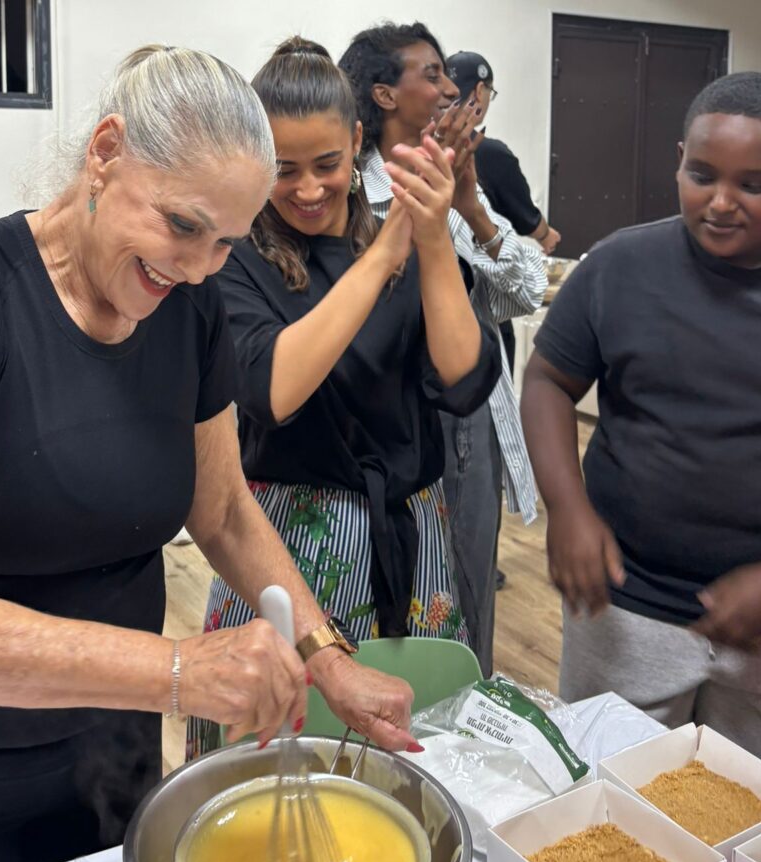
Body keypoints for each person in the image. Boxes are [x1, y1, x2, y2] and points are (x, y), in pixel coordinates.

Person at [0, 45, 414, 862]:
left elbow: (220, 508)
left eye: (226, 241)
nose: (198, 266)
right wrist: (178, 668)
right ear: (107, 152)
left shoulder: (190, 306)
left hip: (117, 751)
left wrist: (323, 655)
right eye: (183, 225)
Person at [521, 71, 761, 800]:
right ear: (678, 159)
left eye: (756, 184)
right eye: (701, 174)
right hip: (627, 604)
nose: (721, 202)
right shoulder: (620, 266)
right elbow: (545, 382)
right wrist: (567, 509)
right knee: (607, 806)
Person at [186, 37, 501, 757]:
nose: (307, 189)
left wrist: (429, 241)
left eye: (326, 164)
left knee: (406, 756)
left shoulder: (402, 235)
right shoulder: (231, 264)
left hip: (411, 538)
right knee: (266, 763)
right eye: (282, 170)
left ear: (357, 141)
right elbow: (274, 389)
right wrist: (386, 252)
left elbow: (463, 378)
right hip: (285, 544)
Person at [340, 22, 546, 678]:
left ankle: (468, 715)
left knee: (471, 585)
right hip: (390, 422)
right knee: (394, 593)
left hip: (470, 416)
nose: (451, 88)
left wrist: (472, 211)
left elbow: (526, 292)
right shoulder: (343, 190)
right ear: (383, 94)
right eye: (430, 74)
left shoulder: (461, 180)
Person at [446, 49, 561, 396]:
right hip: (484, 306)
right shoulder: (488, 152)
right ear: (479, 92)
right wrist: (547, 236)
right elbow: (530, 221)